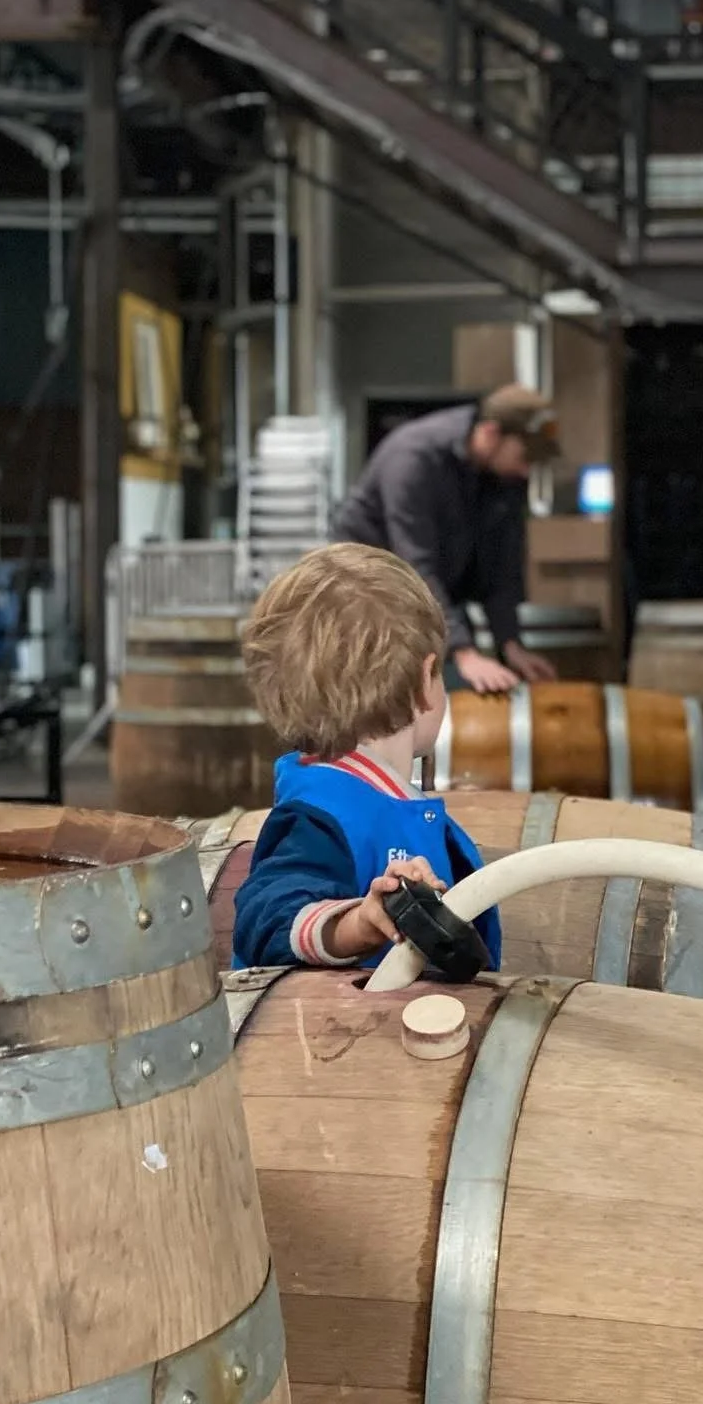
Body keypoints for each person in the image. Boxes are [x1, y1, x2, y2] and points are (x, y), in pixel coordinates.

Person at [231, 542, 502, 971]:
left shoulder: (384, 800)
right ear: (423, 683)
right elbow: (266, 911)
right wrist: (355, 924)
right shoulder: (323, 814)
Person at [331, 383, 560, 694]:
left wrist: (510, 643)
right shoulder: (413, 458)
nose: (526, 469)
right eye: (524, 456)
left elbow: (501, 569)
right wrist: (464, 653)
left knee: (471, 679)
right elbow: (415, 564)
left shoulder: (503, 475)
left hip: (432, 593)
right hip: (367, 594)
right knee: (423, 688)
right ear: (491, 434)